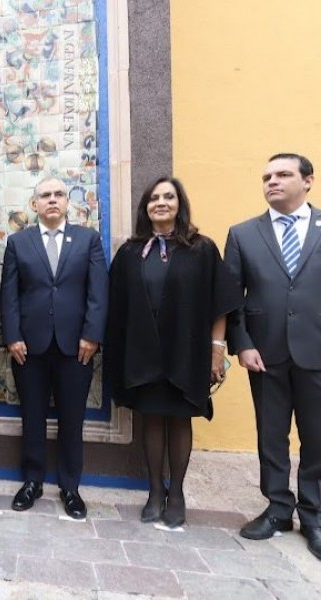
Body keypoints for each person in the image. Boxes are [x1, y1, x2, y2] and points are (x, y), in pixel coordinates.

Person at [105, 177, 240, 527]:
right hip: (143, 352)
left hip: (186, 350)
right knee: (151, 418)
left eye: (168, 197)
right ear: (145, 207)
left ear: (180, 203)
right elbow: (117, 308)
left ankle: (176, 493)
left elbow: (220, 304)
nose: (160, 203)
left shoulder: (201, 249)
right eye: (153, 198)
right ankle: (154, 490)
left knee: (180, 418)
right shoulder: (130, 252)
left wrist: (216, 351)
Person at [225, 153, 321, 560]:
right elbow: (232, 299)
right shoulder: (243, 234)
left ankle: (314, 515)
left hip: (316, 351)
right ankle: (278, 509)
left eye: (283, 175)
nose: (272, 182)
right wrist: (242, 343)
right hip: (265, 353)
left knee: (317, 439)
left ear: (308, 181)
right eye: (267, 176)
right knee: (271, 436)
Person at [1, 177, 108, 517]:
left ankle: (70, 487)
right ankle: (32, 481)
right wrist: (13, 336)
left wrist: (92, 335)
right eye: (44, 195)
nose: (51, 200)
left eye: (58, 194)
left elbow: (97, 292)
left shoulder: (88, 240)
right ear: (35, 204)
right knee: (31, 416)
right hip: (28, 347)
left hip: (76, 346)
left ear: (67, 202)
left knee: (71, 419)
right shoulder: (19, 242)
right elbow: (10, 295)